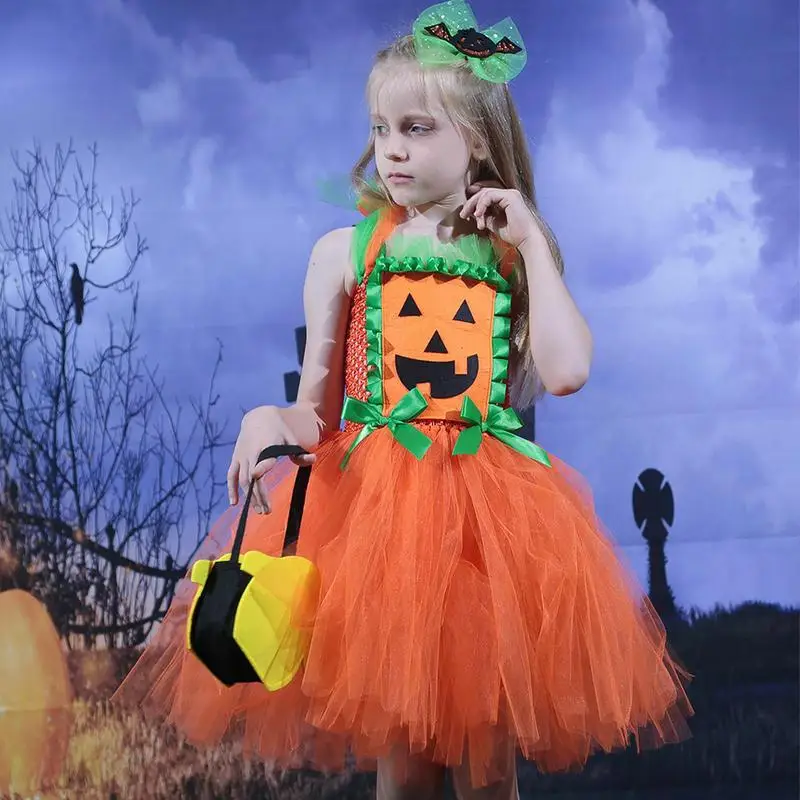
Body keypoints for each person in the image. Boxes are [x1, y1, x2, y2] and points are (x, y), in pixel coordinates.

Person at [112, 2, 692, 798]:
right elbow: (316, 413)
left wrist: (530, 243)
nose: (391, 149)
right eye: (382, 128)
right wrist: (266, 419)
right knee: (405, 765)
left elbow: (565, 371)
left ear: (478, 140)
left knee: (488, 768)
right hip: (383, 526)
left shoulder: (509, 252)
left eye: (416, 128)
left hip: (491, 528)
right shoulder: (345, 253)